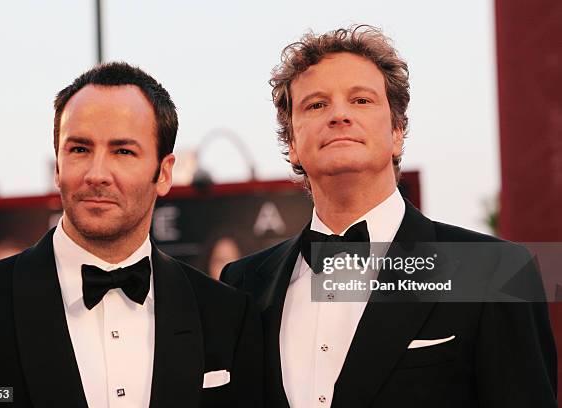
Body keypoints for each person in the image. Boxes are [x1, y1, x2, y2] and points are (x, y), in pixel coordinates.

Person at [220, 26, 556, 407]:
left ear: (397, 132)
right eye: (316, 104)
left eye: (361, 101)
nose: (339, 115)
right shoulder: (244, 282)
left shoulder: (495, 272)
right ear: (293, 145)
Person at [0, 62, 263, 408]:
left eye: (123, 151)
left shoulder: (226, 314)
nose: (97, 174)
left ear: (164, 172)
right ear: (57, 165)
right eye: (80, 149)